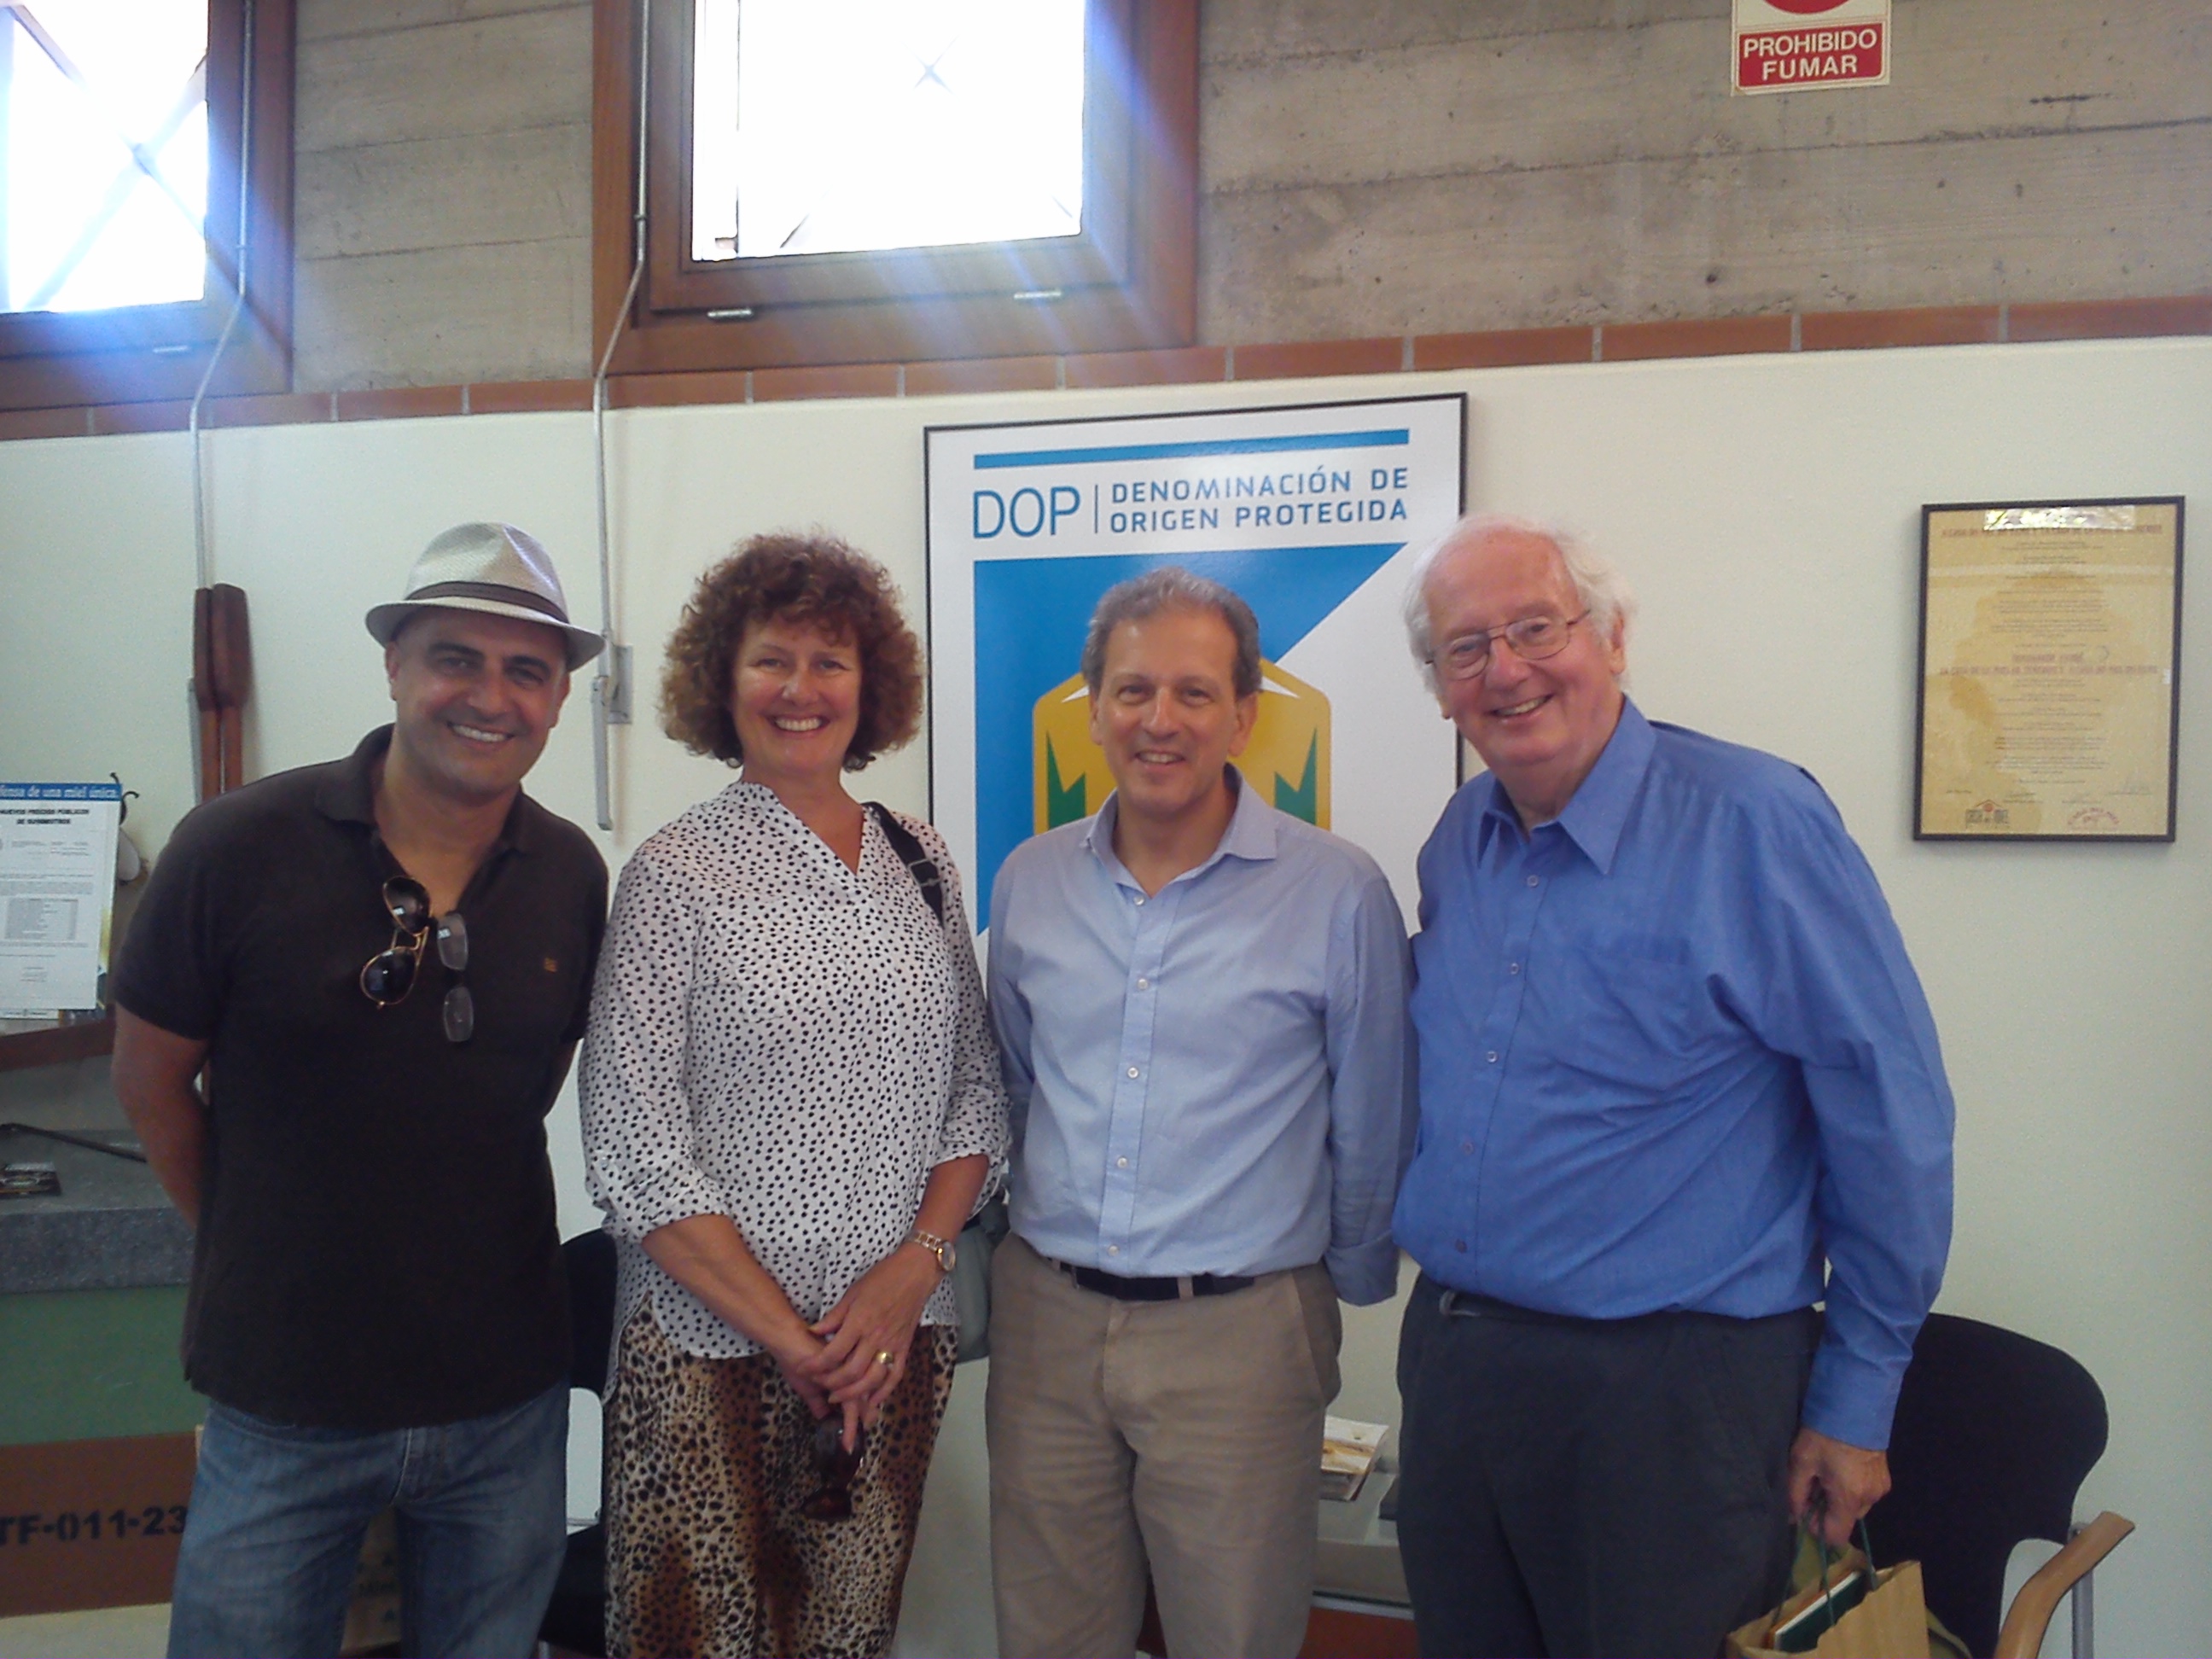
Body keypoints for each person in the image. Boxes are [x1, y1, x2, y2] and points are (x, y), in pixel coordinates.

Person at [1390, 514, 1956, 1659]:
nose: (1505, 669)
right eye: (1465, 648)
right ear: (1441, 689)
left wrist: (1856, 1402)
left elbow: (1888, 1112)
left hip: (1673, 1394)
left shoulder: (1755, 821)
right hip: (1459, 1370)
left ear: (1611, 637)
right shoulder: (1461, 839)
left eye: (1535, 628)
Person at [109, 522, 609, 1659]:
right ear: (394, 666)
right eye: (455, 659)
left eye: (527, 670)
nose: (490, 696)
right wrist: (256, 1237)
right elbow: (147, 1079)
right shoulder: (235, 846)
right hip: (284, 1401)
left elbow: (523, 1094)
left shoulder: (573, 874)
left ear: (559, 699)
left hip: (505, 1407)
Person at [579, 532, 1008, 1659]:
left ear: (873, 689)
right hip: (705, 1349)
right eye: (774, 660)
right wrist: (792, 1340)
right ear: (723, 681)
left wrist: (908, 1278)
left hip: (889, 1349)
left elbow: (974, 1092)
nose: (803, 690)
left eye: (832, 663)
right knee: (699, 1639)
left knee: (848, 1635)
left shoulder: (923, 857)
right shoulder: (673, 875)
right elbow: (633, 1143)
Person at [985, 567, 1415, 1659]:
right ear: (1094, 710)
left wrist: (1338, 1288)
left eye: (1190, 693)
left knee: (1235, 1637)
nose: (1158, 721)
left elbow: (1371, 1109)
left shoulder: (1337, 890)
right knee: (1051, 1636)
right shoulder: (1029, 880)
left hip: (1240, 1334)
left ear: (1243, 714)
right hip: (1050, 1323)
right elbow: (1018, 1083)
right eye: (1131, 692)